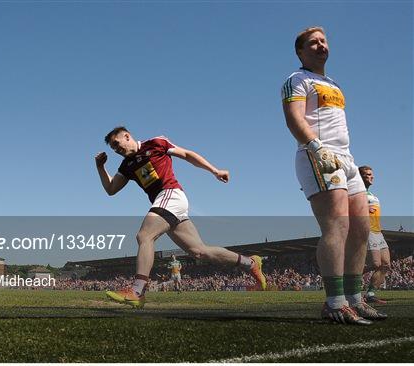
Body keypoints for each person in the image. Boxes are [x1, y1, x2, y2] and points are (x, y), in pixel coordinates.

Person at [281, 27, 386, 324]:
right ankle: (334, 303)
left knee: (361, 228)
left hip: (347, 158)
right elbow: (294, 119)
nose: (320, 45)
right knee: (337, 226)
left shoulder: (333, 84)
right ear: (300, 52)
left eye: (323, 41)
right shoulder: (296, 80)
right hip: (318, 155)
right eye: (312, 42)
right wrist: (315, 146)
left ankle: (355, 299)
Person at [96, 126, 266, 308]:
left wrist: (214, 170)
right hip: (167, 204)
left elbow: (186, 154)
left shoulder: (155, 143)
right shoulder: (127, 166)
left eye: (117, 143)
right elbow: (111, 189)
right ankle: (250, 263)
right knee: (200, 251)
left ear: (127, 136)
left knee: (145, 236)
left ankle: (137, 291)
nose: (116, 150)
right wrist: (100, 167)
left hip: (171, 194)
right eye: (113, 148)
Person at [359, 166, 390, 304]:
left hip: (378, 232)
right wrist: (364, 208)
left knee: (386, 265)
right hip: (368, 231)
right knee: (376, 263)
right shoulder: (356, 193)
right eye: (367, 175)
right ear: (360, 177)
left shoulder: (373, 195)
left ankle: (370, 294)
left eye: (372, 174)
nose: (371, 176)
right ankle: (349, 275)